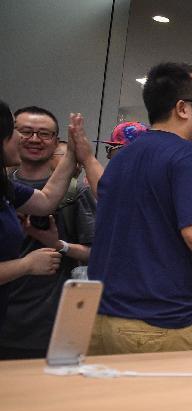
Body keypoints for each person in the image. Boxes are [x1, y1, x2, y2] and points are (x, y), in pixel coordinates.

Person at [87, 62, 192, 355]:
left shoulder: (123, 159)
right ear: (182, 108)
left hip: (101, 320)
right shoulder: (188, 156)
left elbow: (145, 233)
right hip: (159, 325)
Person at [0, 105, 97, 359]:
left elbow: (45, 200)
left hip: (42, 322)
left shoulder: (6, 188)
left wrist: (76, 155)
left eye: (44, 134)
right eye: (20, 132)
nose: (30, 140)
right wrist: (27, 264)